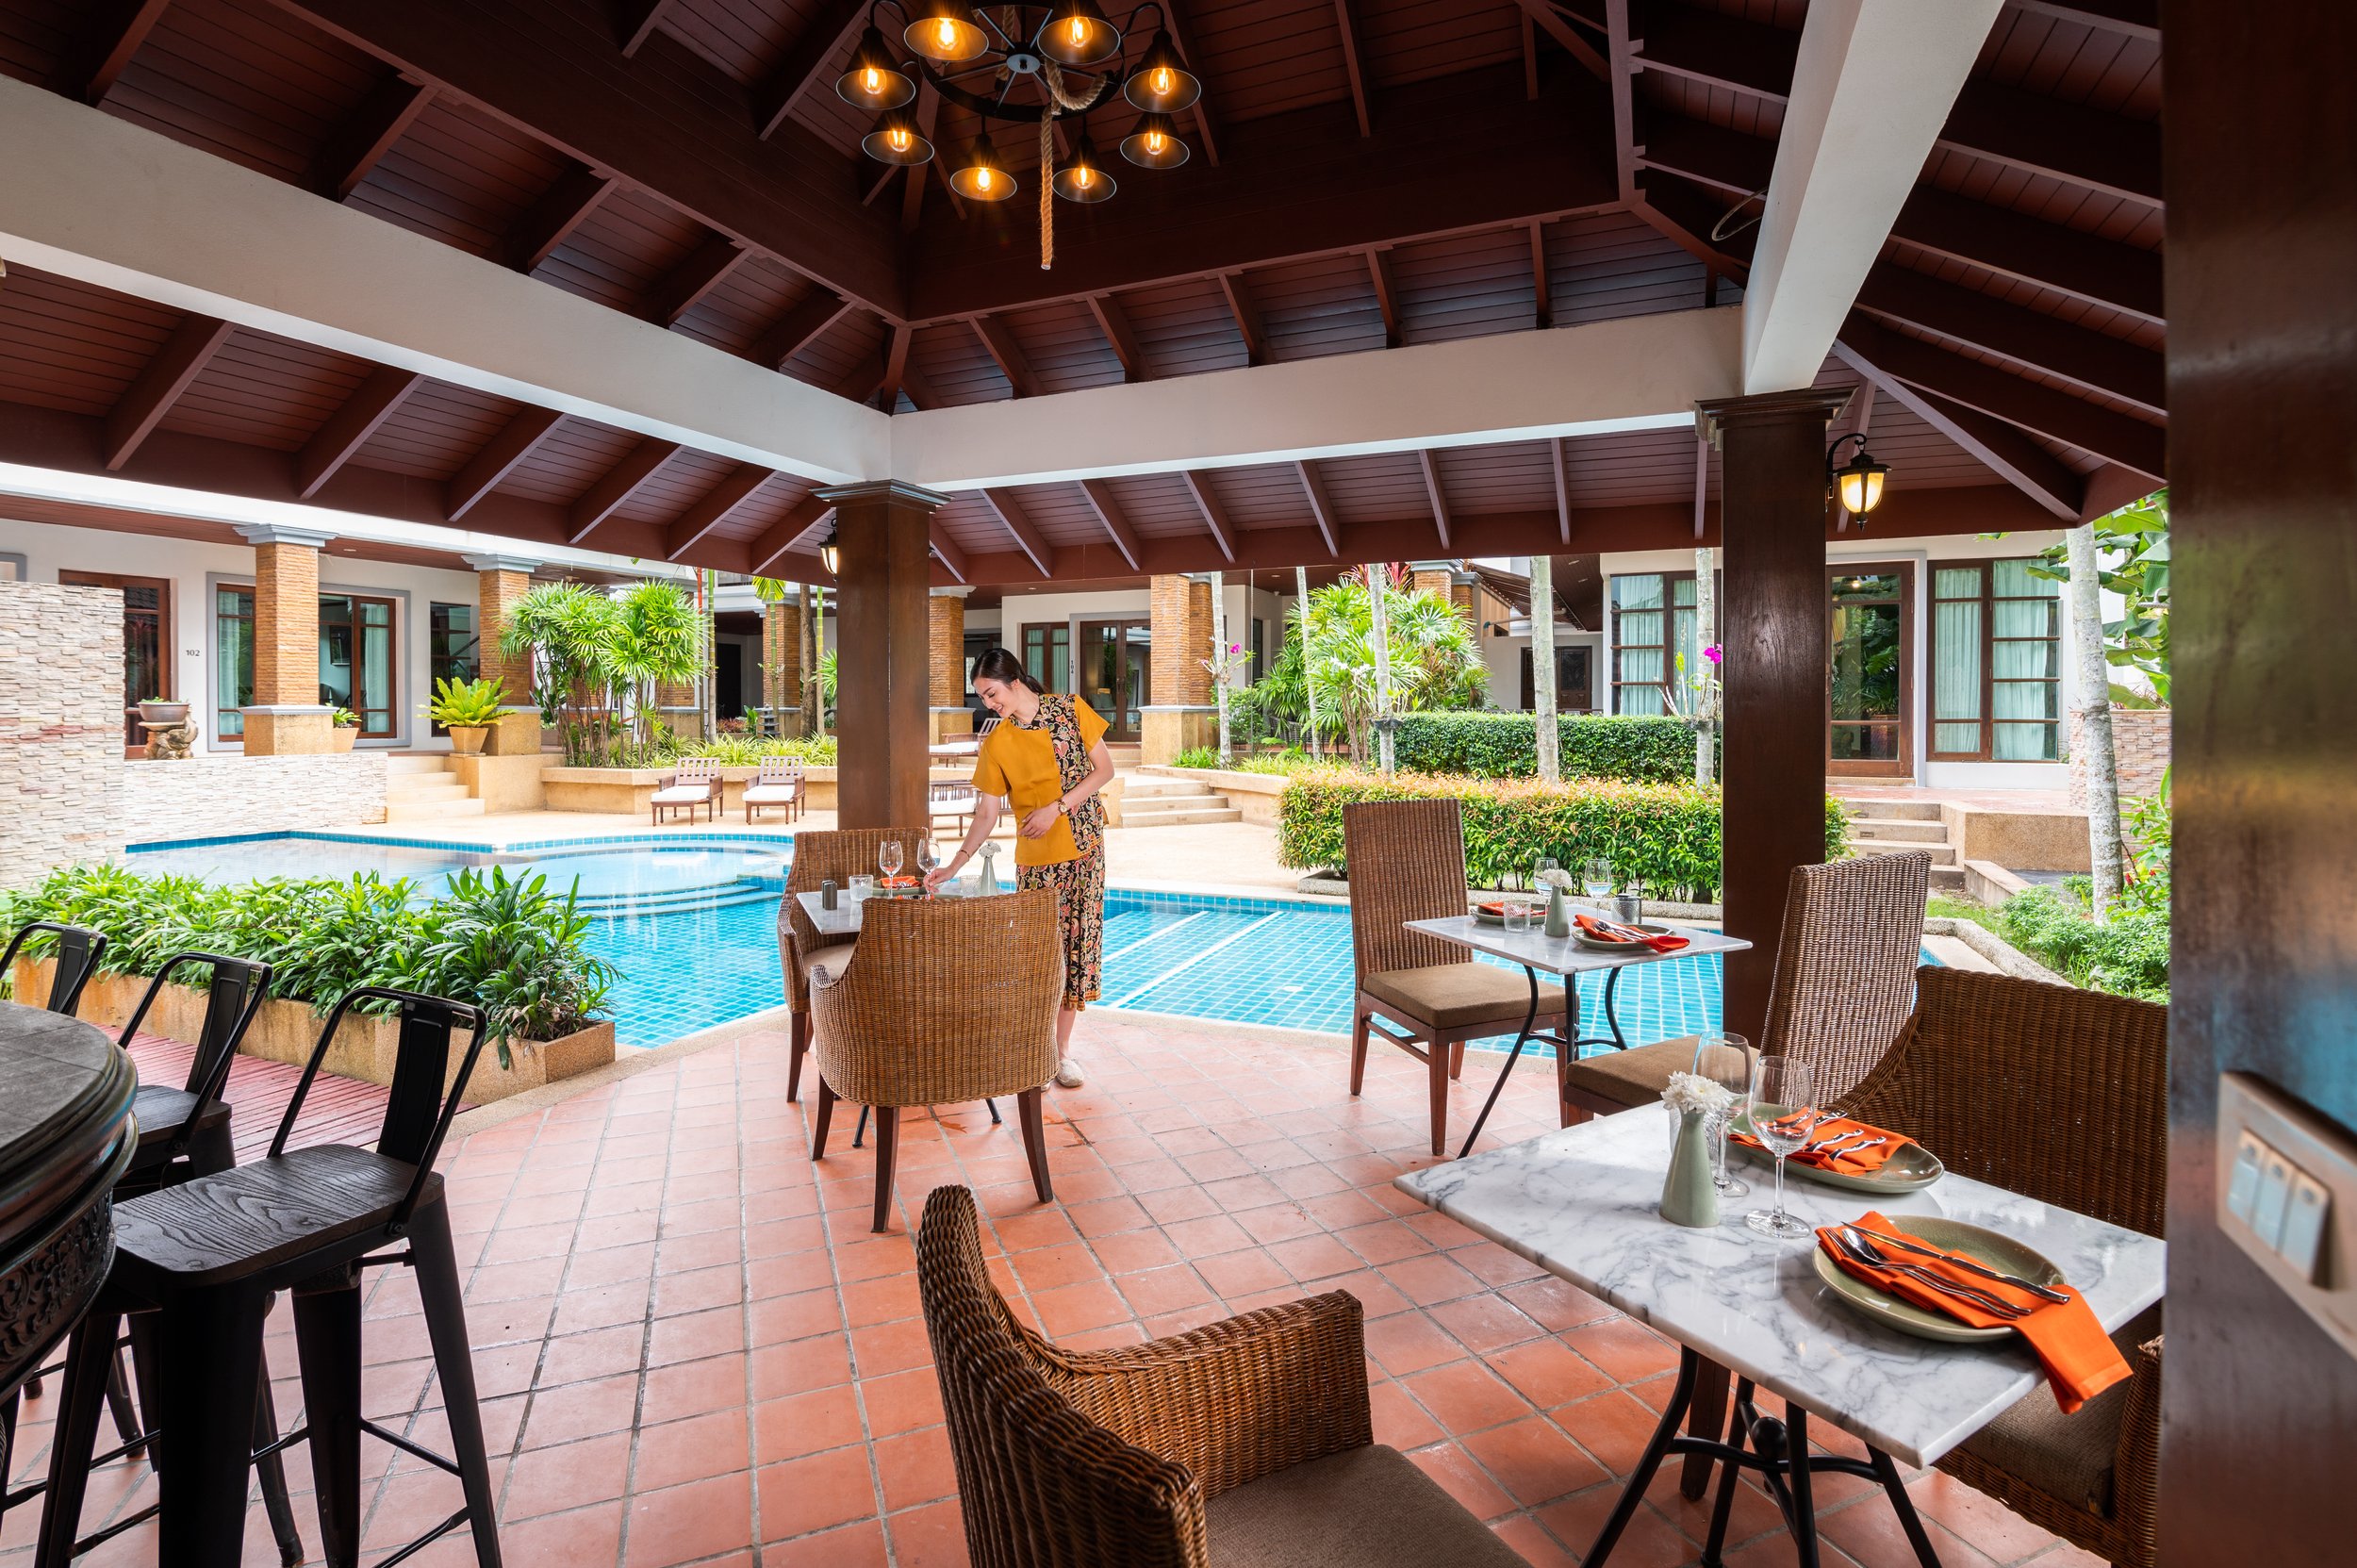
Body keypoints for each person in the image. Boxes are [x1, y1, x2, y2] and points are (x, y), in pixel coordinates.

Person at [924, 648, 1114, 1087]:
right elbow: (987, 813)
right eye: (983, 699)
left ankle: (1061, 1053)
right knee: (1041, 959)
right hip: (1035, 864)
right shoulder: (998, 742)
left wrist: (1057, 808)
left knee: (1076, 952)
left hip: (1084, 851)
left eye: (991, 694)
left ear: (1013, 680)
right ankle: (1037, 1051)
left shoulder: (1070, 710)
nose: (989, 705)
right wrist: (955, 864)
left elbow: (1103, 769)